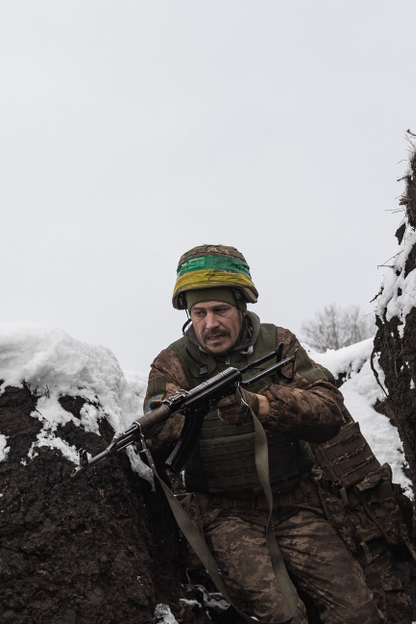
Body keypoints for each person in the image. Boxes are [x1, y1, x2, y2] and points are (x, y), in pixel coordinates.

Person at [144, 244, 384, 624]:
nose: (210, 324)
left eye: (221, 310)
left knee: (359, 611)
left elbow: (329, 411)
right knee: (283, 616)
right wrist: (176, 415)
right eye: (199, 313)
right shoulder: (172, 362)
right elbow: (155, 431)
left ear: (241, 306)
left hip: (297, 504)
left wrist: (263, 406)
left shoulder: (278, 345)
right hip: (226, 516)